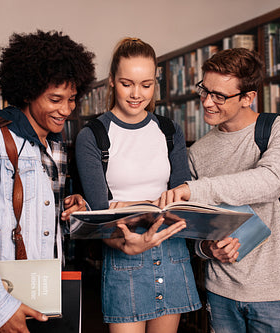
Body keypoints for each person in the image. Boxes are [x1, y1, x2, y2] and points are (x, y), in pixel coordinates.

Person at [0, 30, 95, 333]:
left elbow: (44, 219)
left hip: (47, 294)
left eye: (72, 100)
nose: (66, 110)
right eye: (55, 99)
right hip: (4, 300)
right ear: (28, 91)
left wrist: (76, 205)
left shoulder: (57, 146)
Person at [158, 48, 280, 332]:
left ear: (248, 97)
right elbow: (195, 229)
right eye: (204, 90)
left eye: (219, 96)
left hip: (276, 291)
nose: (207, 102)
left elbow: (269, 181)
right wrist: (208, 249)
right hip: (220, 290)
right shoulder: (197, 152)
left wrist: (192, 189)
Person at [75, 37, 200, 333]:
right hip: (123, 256)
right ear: (111, 82)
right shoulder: (93, 136)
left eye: (146, 84)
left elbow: (180, 199)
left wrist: (124, 206)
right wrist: (148, 205)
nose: (136, 94)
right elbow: (99, 215)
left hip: (172, 254)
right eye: (127, 83)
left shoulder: (169, 131)